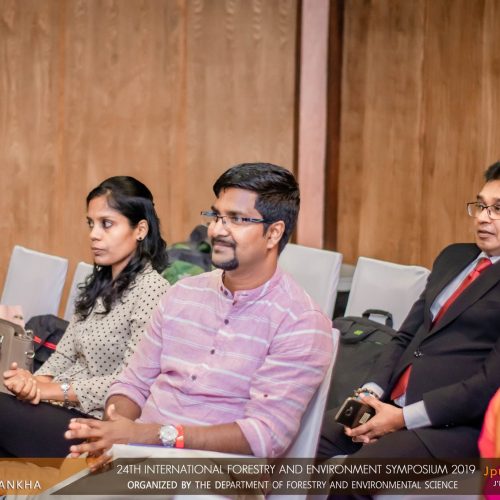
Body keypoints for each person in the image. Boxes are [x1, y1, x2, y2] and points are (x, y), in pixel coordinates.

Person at [65, 162, 333, 466]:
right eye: (216, 216)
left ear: (273, 233)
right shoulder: (182, 294)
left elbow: (264, 436)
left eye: (236, 219)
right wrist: (112, 433)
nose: (216, 230)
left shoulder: (301, 322)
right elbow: (133, 384)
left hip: (215, 475)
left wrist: (150, 436)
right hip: (137, 457)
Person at [319, 161, 500, 462]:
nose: (483, 217)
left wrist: (401, 418)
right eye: (480, 206)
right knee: (301, 442)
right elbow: (405, 337)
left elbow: (487, 386)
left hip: (450, 425)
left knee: (354, 475)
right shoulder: (454, 256)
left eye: (497, 209)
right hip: (390, 400)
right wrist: (371, 393)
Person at [0, 176, 170, 457]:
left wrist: (48, 390)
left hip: (96, 421)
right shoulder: (97, 284)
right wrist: (30, 383)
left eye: (107, 224)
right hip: (59, 406)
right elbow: (64, 355)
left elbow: (130, 381)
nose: (94, 234)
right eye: (91, 223)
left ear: (140, 229)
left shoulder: (152, 291)